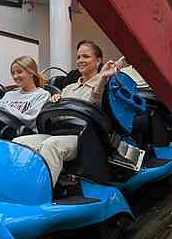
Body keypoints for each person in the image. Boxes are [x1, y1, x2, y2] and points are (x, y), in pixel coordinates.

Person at [14, 40, 120, 186]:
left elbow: (95, 103)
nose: (81, 61)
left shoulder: (104, 84)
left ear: (98, 60)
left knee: (52, 144)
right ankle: (17, 185)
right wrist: (54, 102)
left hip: (86, 138)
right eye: (78, 57)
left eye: (86, 56)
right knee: (19, 142)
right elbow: (55, 115)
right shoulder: (69, 88)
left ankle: (40, 191)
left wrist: (102, 78)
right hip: (61, 132)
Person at [0, 56, 50, 132]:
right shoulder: (9, 94)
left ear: (31, 73)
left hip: (23, 136)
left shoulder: (42, 95)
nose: (15, 76)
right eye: (13, 73)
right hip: (0, 132)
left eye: (19, 72)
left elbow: (28, 120)